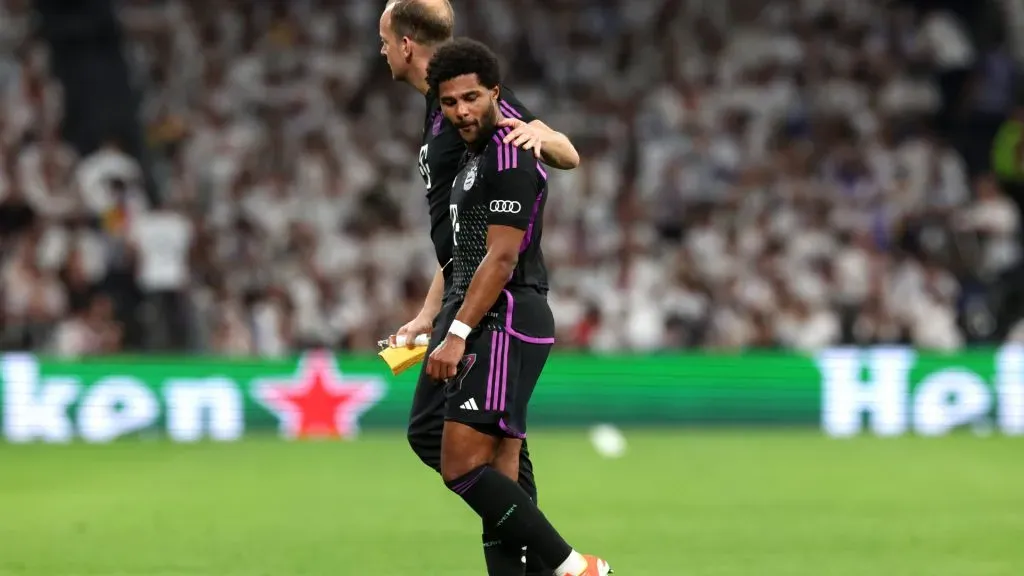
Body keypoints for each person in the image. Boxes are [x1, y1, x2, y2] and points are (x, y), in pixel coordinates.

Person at [379, 1, 581, 575]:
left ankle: (571, 565)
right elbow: (464, 231)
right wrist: (429, 312)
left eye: (384, 40)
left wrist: (546, 137)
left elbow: (561, 153)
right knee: (484, 454)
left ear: (406, 45)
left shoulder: (475, 108)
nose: (382, 51)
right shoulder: (440, 110)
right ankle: (542, 560)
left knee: (447, 444)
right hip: (464, 289)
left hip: (495, 301)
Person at [422, 37, 613, 576]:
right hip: (497, 318)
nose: (461, 111)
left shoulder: (510, 150)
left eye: (471, 98)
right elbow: (464, 252)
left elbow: (502, 258)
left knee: (460, 466)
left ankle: (576, 567)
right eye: (450, 102)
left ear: (496, 95)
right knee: (499, 471)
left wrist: (456, 334)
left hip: (504, 318)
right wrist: (428, 316)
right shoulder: (473, 156)